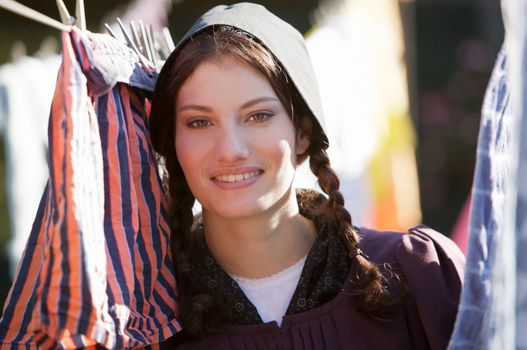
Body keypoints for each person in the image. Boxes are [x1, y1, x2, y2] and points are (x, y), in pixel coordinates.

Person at [146, 3, 465, 349]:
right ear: (173, 143)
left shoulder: (419, 277)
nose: (230, 149)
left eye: (258, 116)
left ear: (303, 132)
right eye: (200, 122)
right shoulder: (144, 318)